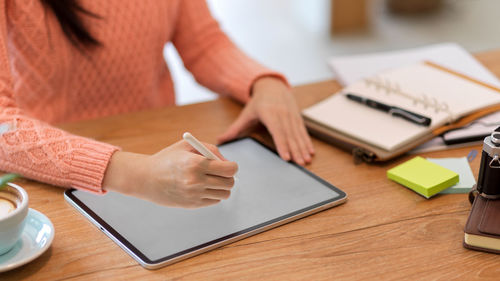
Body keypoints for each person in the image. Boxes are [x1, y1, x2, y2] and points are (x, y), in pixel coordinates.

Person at [0, 0, 314, 208]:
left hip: (160, 159)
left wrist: (261, 82)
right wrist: (136, 173)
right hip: (50, 176)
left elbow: (203, 43)